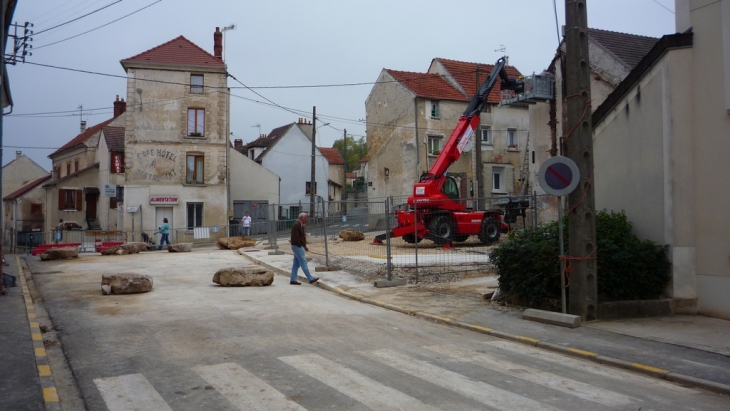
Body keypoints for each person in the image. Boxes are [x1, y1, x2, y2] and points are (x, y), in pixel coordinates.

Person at [289, 212, 319, 285]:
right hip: (297, 246)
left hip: (298, 246)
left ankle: (293, 279)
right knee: (303, 262)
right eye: (305, 218)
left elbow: (302, 237)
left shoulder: (301, 225)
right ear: (301, 218)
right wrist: (300, 245)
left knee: (296, 264)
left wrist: (304, 246)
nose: (306, 219)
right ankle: (310, 278)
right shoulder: (296, 225)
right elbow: (295, 237)